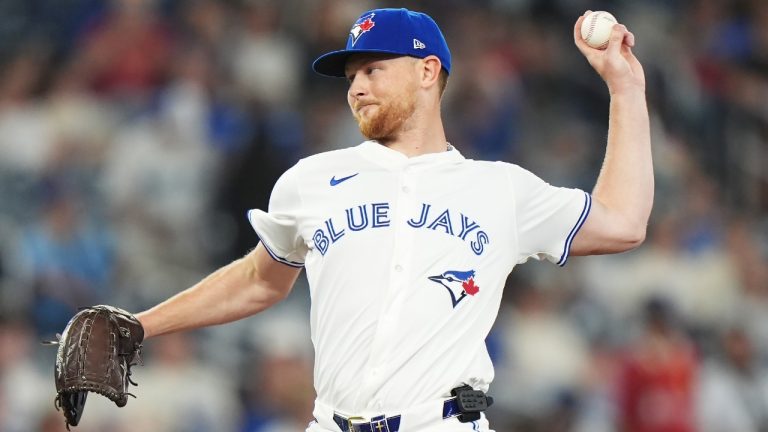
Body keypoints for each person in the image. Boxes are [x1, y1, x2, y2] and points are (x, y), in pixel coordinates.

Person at [132, 7, 652, 432]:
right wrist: (140, 325)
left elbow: (623, 223)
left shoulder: (500, 189)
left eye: (373, 69)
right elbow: (258, 280)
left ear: (427, 71)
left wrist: (625, 90)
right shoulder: (310, 180)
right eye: (351, 76)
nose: (356, 87)